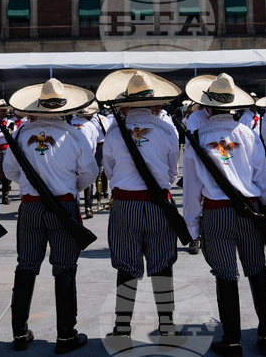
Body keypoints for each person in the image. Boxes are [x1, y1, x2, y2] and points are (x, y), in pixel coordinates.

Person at [3, 79, 98, 354]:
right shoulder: (75, 134)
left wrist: (29, 183)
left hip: (31, 206)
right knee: (65, 267)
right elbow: (89, 174)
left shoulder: (22, 134)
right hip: (63, 206)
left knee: (27, 266)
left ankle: (19, 332)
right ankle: (65, 334)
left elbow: (9, 170)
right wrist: (70, 188)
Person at [182, 73, 266, 356]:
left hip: (216, 212)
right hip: (249, 211)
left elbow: (191, 188)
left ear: (207, 106)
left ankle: (232, 340)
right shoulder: (248, 133)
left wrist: (192, 226)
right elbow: (263, 179)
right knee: (257, 269)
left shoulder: (197, 136)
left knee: (225, 275)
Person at [96, 69, 184, 347]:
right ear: (154, 103)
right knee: (162, 266)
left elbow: (109, 171)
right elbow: (173, 173)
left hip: (125, 204)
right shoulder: (167, 129)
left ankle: (122, 328)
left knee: (126, 266)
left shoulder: (113, 131)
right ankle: (167, 326)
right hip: (159, 204)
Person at [71, 103, 103, 218]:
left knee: (72, 180)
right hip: (87, 155)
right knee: (88, 180)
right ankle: (88, 207)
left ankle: (75, 205)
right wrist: (91, 157)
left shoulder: (70, 124)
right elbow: (94, 144)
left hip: (72, 156)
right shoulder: (91, 125)